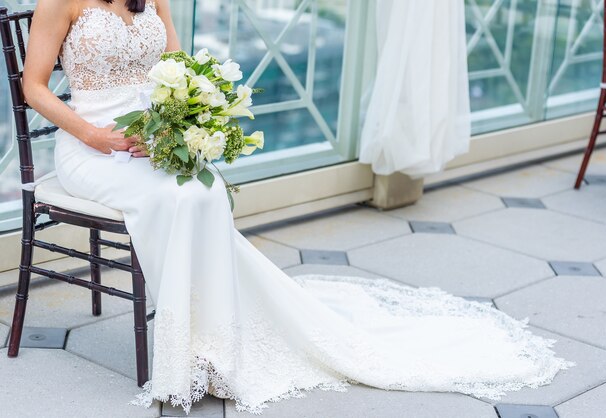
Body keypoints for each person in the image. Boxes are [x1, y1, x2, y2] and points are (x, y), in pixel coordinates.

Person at [23, 0, 573, 414]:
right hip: (89, 144)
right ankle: (184, 347)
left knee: (205, 190)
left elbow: (175, 63)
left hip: (154, 137)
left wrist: (182, 122)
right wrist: (94, 135)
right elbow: (34, 86)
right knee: (172, 197)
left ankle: (213, 340)